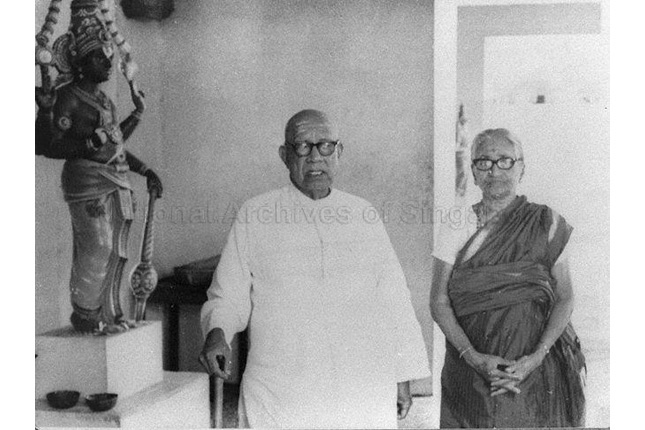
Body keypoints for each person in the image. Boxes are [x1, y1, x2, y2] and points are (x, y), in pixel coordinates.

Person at [199, 109, 430, 428]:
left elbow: (394, 301)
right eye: (302, 147)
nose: (315, 158)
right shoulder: (256, 214)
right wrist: (217, 332)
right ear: (285, 155)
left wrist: (402, 376)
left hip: (360, 387)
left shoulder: (363, 214)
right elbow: (227, 296)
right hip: (284, 389)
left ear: (339, 153)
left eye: (325, 146)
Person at [430, 128, 586, 428]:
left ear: (521, 167)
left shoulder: (547, 222)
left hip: (537, 367)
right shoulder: (456, 223)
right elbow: (438, 301)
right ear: (473, 172)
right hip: (471, 369)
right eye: (484, 162)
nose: (494, 171)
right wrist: (474, 358)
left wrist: (537, 356)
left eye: (505, 161)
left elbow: (565, 297)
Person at [35, 0, 162, 333]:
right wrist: (52, 117)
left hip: (115, 178)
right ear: (78, 61)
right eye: (98, 56)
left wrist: (144, 165)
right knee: (98, 246)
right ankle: (85, 313)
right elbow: (44, 146)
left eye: (108, 55)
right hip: (87, 182)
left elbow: (114, 143)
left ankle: (110, 311)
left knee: (118, 248)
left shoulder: (104, 100)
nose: (107, 62)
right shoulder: (68, 97)